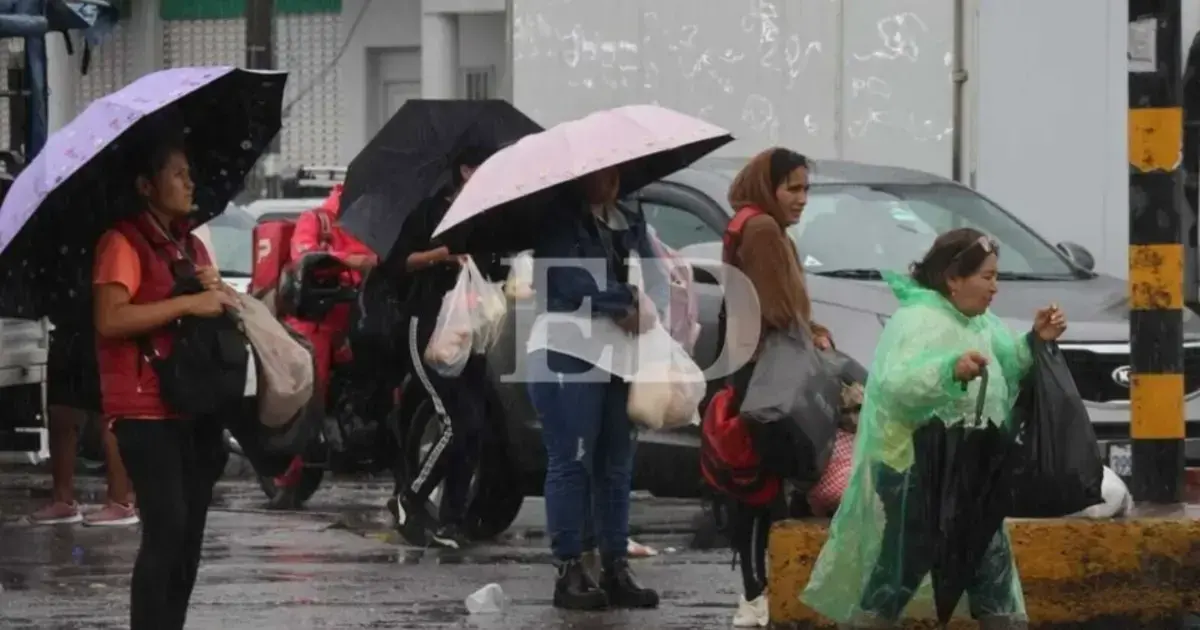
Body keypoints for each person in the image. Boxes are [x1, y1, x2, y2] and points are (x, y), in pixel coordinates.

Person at [801, 228, 1067, 629]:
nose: (995, 287)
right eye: (987, 277)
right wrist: (949, 371)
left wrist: (1035, 341)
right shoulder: (919, 321)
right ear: (953, 278)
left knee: (986, 561)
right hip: (915, 469)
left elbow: (1009, 366)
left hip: (969, 466)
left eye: (997, 276)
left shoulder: (981, 322)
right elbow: (896, 385)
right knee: (902, 566)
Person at [92, 133, 237, 630]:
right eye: (177, 174)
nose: (189, 181)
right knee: (166, 527)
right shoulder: (121, 242)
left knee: (190, 537)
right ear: (146, 186)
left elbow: (205, 315)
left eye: (189, 172)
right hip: (143, 409)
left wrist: (215, 290)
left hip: (191, 402)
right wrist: (189, 302)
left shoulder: (189, 241)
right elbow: (110, 319)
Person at [525, 166, 667, 611]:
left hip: (615, 354)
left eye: (616, 173)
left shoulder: (625, 219)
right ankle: (570, 568)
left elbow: (656, 278)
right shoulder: (557, 223)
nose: (613, 182)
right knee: (572, 461)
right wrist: (623, 300)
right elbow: (569, 284)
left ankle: (615, 565)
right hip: (566, 351)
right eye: (602, 174)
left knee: (616, 464)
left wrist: (637, 251)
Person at [718, 148, 833, 628]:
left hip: (752, 366)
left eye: (807, 188)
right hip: (765, 370)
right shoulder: (763, 229)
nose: (802, 199)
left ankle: (758, 589)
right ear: (770, 187)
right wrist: (812, 336)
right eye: (793, 188)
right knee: (760, 486)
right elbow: (777, 308)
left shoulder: (752, 223)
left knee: (756, 483)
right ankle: (754, 591)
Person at [387, 146, 502, 550]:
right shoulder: (431, 211)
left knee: (474, 427)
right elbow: (398, 263)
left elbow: (495, 268)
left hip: (469, 331)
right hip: (430, 326)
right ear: (465, 169)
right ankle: (410, 497)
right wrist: (440, 256)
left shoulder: (489, 215)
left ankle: (451, 521)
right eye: (483, 167)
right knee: (452, 423)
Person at [271, 183, 378, 508]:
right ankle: (287, 473)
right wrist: (349, 262)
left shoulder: (372, 223)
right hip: (318, 316)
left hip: (361, 315)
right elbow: (304, 254)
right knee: (310, 392)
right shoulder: (317, 220)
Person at [29, 313, 137, 526]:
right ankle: (63, 500)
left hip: (104, 331)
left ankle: (121, 501)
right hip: (69, 330)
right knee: (61, 412)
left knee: (108, 414)